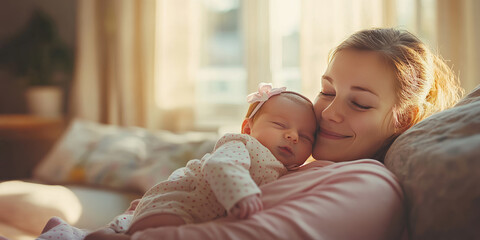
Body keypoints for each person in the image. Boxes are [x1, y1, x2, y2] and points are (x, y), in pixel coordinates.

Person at [43, 28, 464, 240]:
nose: (329, 112)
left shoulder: (370, 186)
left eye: (360, 103)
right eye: (328, 90)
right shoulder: (296, 162)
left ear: (404, 119)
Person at [36, 84, 317, 240]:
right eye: (281, 125)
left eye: (305, 136)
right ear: (247, 128)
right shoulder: (245, 145)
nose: (292, 136)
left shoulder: (289, 170)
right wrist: (242, 193)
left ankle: (72, 234)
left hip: (188, 212)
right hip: (177, 205)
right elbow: (221, 166)